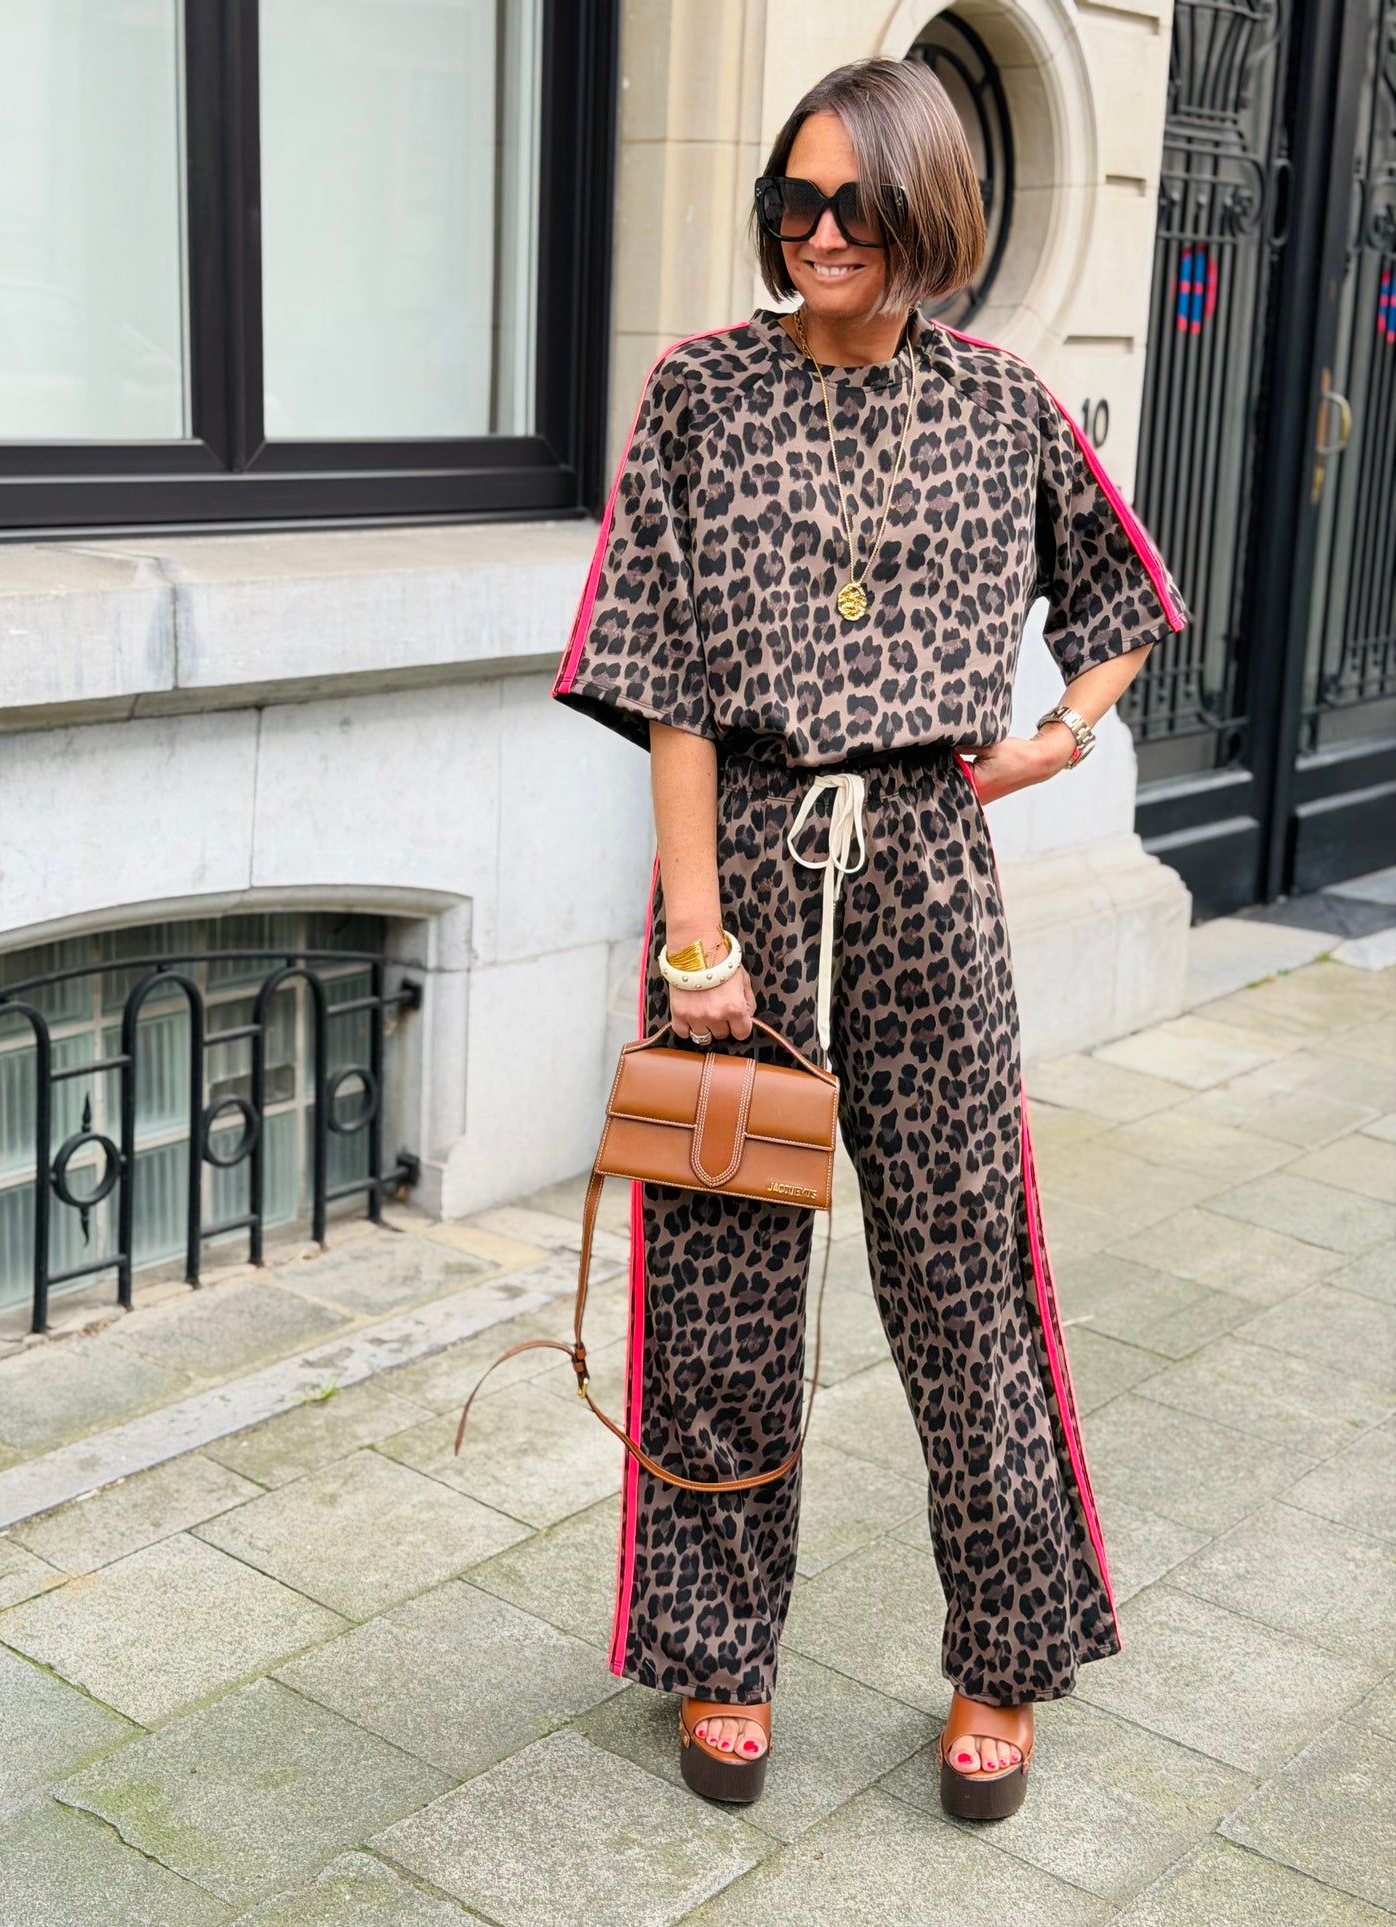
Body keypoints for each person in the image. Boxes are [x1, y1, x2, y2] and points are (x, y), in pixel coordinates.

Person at [550, 55, 1187, 1819]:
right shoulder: (698, 391)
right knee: (723, 1280)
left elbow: (1126, 596)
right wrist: (695, 936)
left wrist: (1052, 740)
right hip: (743, 866)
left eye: (853, 204)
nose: (815, 233)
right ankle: (715, 1650)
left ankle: (1005, 1651)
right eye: (792, 199)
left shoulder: (1001, 405)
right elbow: (666, 678)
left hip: (924, 870)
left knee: (965, 1284)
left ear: (925, 214)